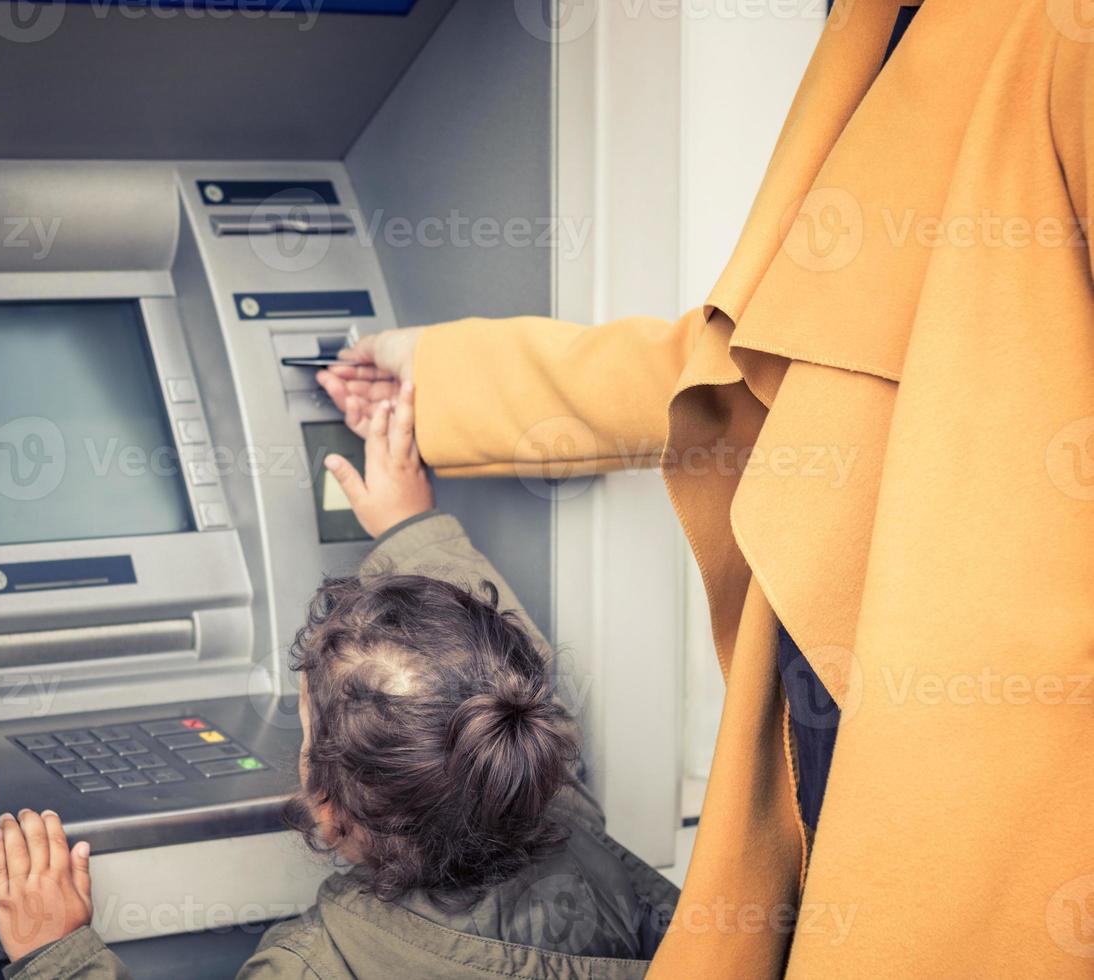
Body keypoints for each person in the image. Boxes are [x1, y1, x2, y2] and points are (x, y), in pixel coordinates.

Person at [318, 2, 1094, 977]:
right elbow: (777, 357)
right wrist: (453, 374)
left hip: (990, 790)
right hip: (848, 748)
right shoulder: (888, 19)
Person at [0, 386, 679, 980]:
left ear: (328, 810)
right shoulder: (572, 821)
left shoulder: (313, 965)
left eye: (307, 725)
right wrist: (412, 527)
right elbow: (499, 677)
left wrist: (58, 953)